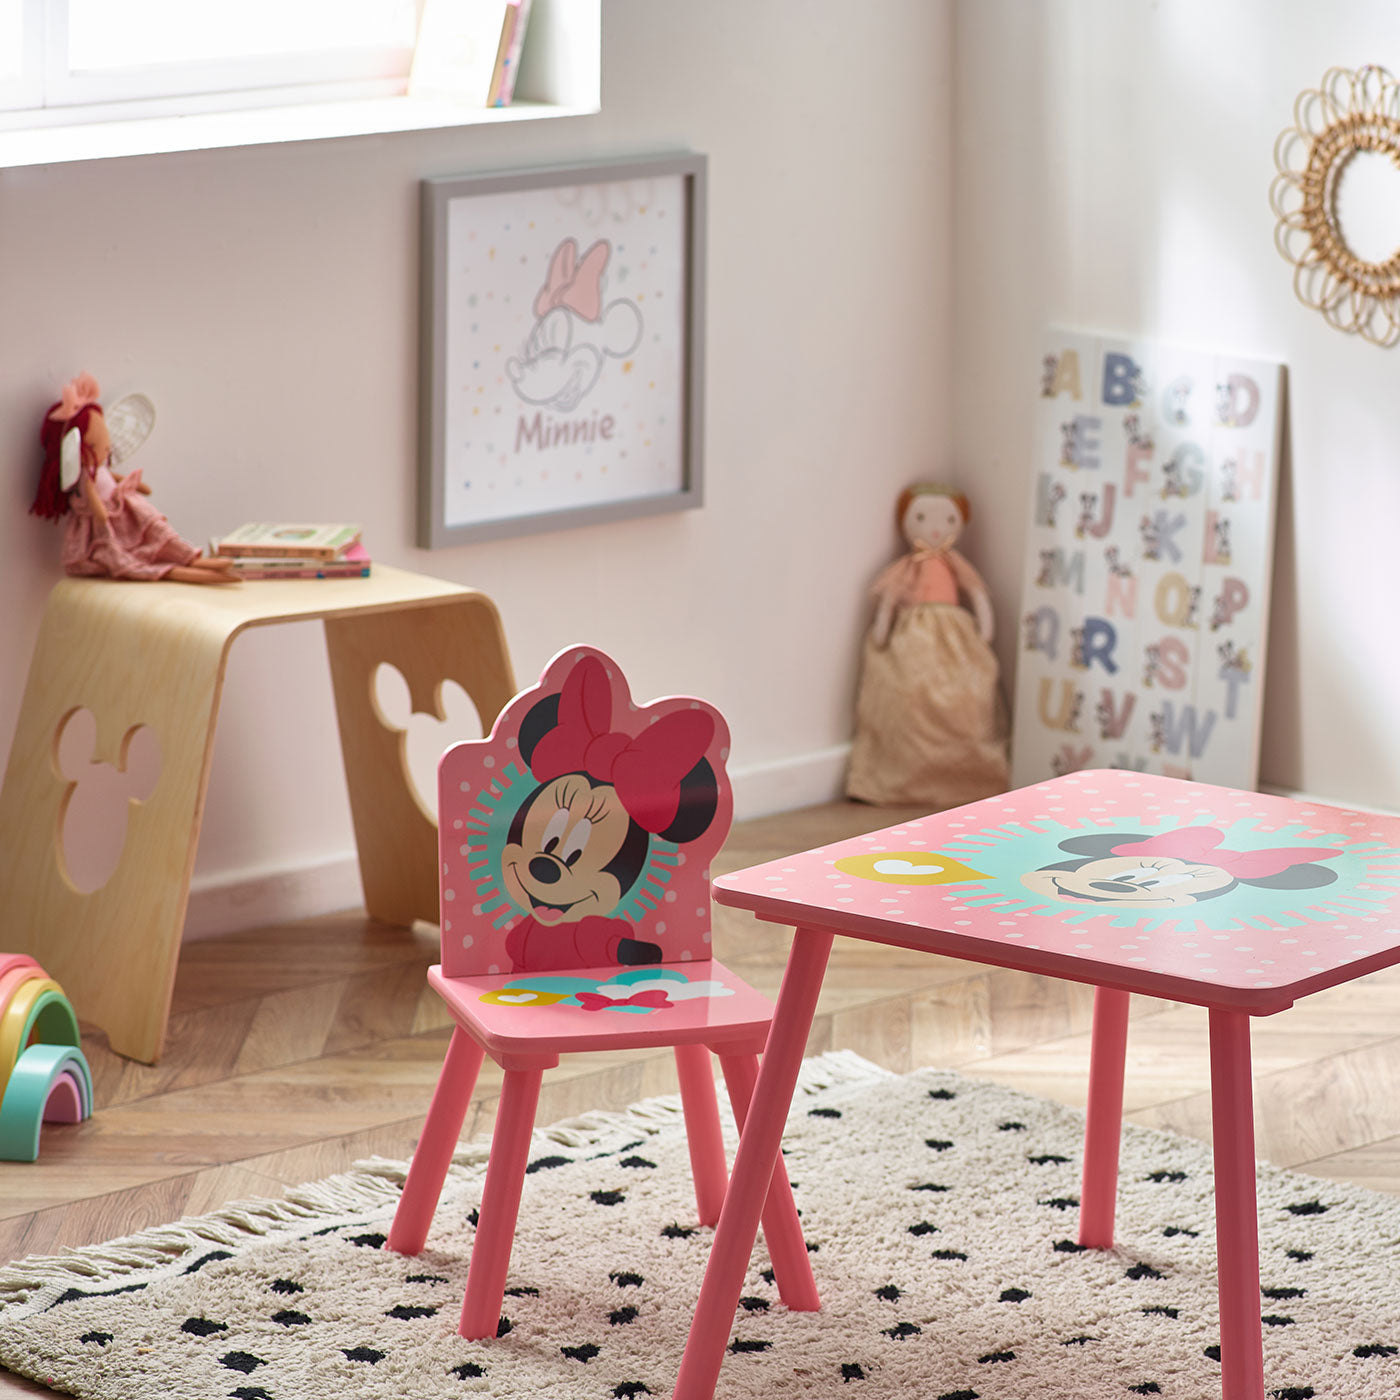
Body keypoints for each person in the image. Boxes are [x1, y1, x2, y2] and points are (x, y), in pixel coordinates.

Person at [846, 482, 1009, 807]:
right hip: (912, 632)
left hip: (955, 633)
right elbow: (890, 597)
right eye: (922, 517)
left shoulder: (955, 564)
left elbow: (977, 593)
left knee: (965, 699)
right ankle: (895, 778)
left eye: (947, 520)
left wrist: (984, 629)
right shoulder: (909, 566)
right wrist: (882, 628)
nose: (935, 528)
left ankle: (968, 780)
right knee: (906, 692)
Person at [30, 373, 235, 584]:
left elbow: (110, 478)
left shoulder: (98, 469)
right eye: (95, 445)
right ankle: (175, 571)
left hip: (127, 509)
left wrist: (138, 486)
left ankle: (188, 558)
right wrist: (102, 515)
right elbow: (92, 495)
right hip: (110, 517)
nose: (106, 447)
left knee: (154, 529)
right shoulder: (85, 476)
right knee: (129, 553)